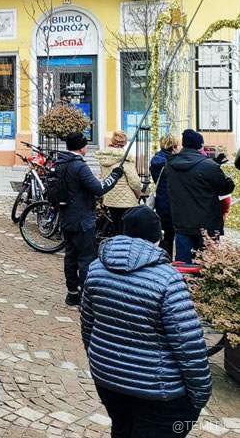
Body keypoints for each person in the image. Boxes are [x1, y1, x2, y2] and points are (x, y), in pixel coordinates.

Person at [81, 206, 211, 438]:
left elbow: (87, 326)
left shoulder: (96, 268)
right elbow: (189, 345)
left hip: (108, 379)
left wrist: (101, 363)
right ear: (158, 238)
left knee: (122, 429)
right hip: (157, 391)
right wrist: (200, 394)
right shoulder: (168, 280)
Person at [55, 132, 124, 306]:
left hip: (66, 218)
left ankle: (72, 293)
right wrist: (114, 176)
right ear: (81, 147)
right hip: (82, 220)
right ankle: (86, 296)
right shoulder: (79, 166)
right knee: (86, 258)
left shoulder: (60, 162)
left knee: (70, 256)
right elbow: (98, 188)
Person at [166, 129, 235, 263]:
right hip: (207, 225)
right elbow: (225, 188)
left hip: (182, 222)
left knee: (184, 266)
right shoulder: (209, 165)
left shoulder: (171, 164)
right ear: (200, 145)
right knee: (208, 266)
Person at [96, 130, 143, 236]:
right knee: (127, 229)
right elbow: (135, 182)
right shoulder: (125, 158)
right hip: (126, 200)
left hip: (110, 198)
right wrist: (138, 194)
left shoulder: (104, 157)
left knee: (116, 226)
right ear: (124, 142)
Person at [150, 134, 179, 259]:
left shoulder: (155, 160)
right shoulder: (173, 162)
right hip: (173, 200)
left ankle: (162, 258)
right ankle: (169, 258)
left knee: (164, 232)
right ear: (173, 146)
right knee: (172, 233)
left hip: (161, 200)